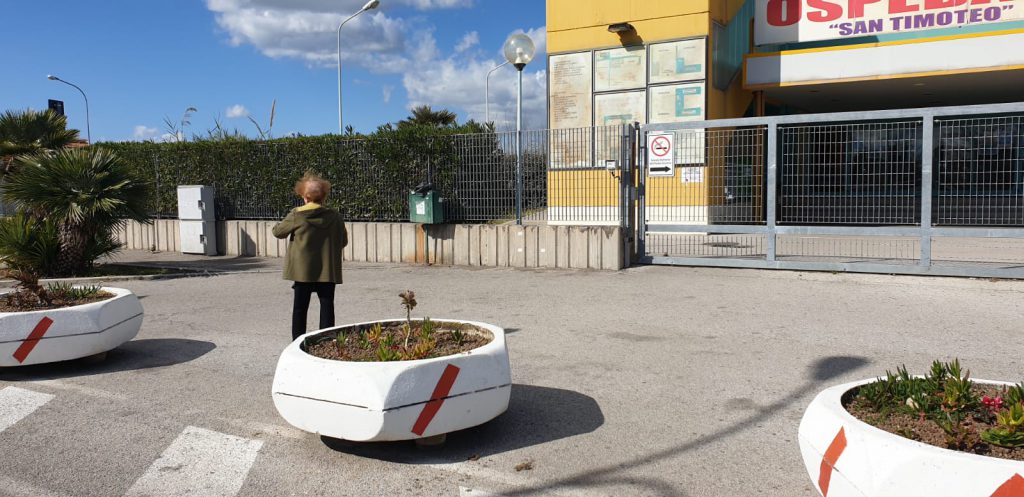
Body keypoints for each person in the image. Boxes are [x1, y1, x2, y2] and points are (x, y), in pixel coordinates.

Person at [272, 173, 348, 340]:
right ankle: (326, 340)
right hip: (327, 271)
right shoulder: (335, 216)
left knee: (300, 307)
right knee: (327, 305)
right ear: (324, 196)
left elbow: (278, 232)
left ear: (304, 196)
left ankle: (297, 341)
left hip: (302, 271)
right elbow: (343, 241)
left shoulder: (297, 214)